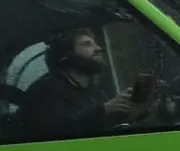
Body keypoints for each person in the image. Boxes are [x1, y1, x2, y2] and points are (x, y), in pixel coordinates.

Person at [16, 28, 152, 141]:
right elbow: (55, 134)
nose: (98, 48)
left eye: (95, 43)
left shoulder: (92, 90)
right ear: (66, 54)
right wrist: (104, 110)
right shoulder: (46, 90)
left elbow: (100, 128)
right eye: (87, 44)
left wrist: (135, 111)